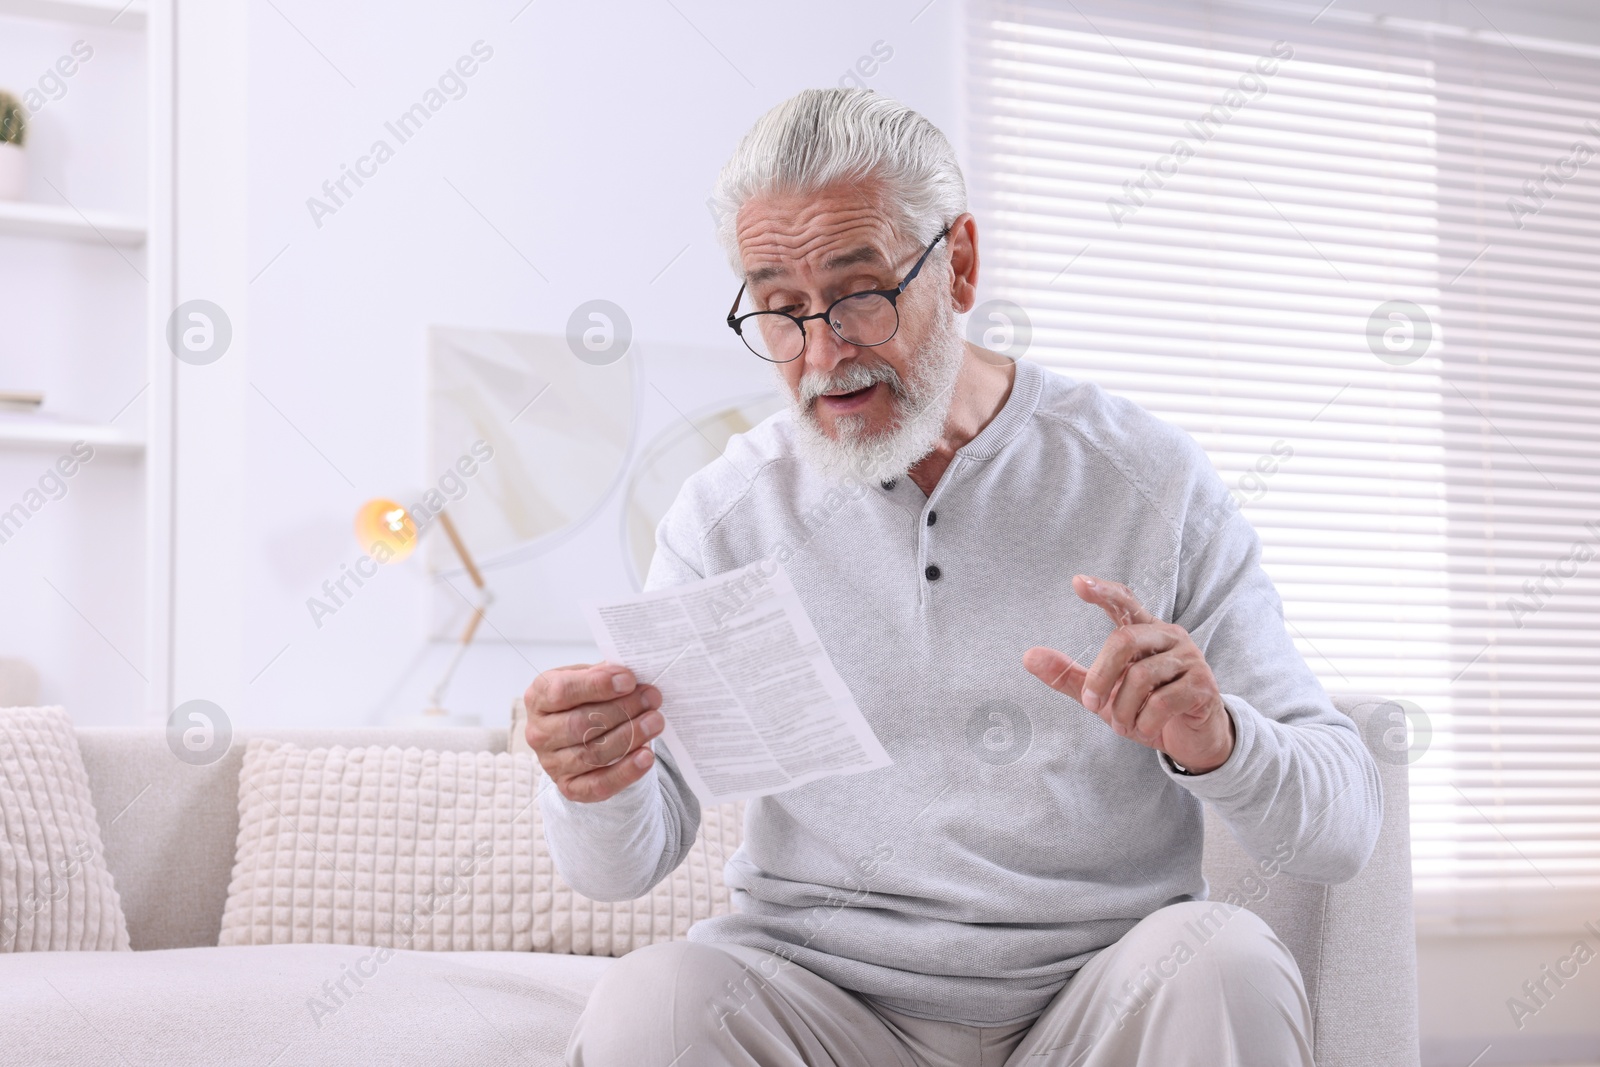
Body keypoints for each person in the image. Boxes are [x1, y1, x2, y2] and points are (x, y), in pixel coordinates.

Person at [524, 87, 1381, 1067]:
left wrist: (1216, 738)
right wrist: (588, 779)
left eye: (859, 293)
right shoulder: (726, 515)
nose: (821, 352)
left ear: (960, 263)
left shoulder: (1147, 480)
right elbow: (620, 868)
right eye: (779, 308)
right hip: (819, 1002)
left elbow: (1342, 826)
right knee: (652, 995)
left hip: (1089, 1004)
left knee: (1224, 956)